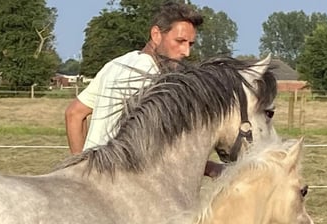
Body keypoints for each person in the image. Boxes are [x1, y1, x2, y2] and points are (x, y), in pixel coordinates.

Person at [64, 1, 223, 177]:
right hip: (122, 182)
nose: (186, 52)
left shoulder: (117, 64)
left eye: (190, 44)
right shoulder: (152, 78)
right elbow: (161, 148)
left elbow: (74, 114)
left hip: (92, 178)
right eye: (179, 41)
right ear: (156, 35)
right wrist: (210, 168)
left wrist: (80, 168)